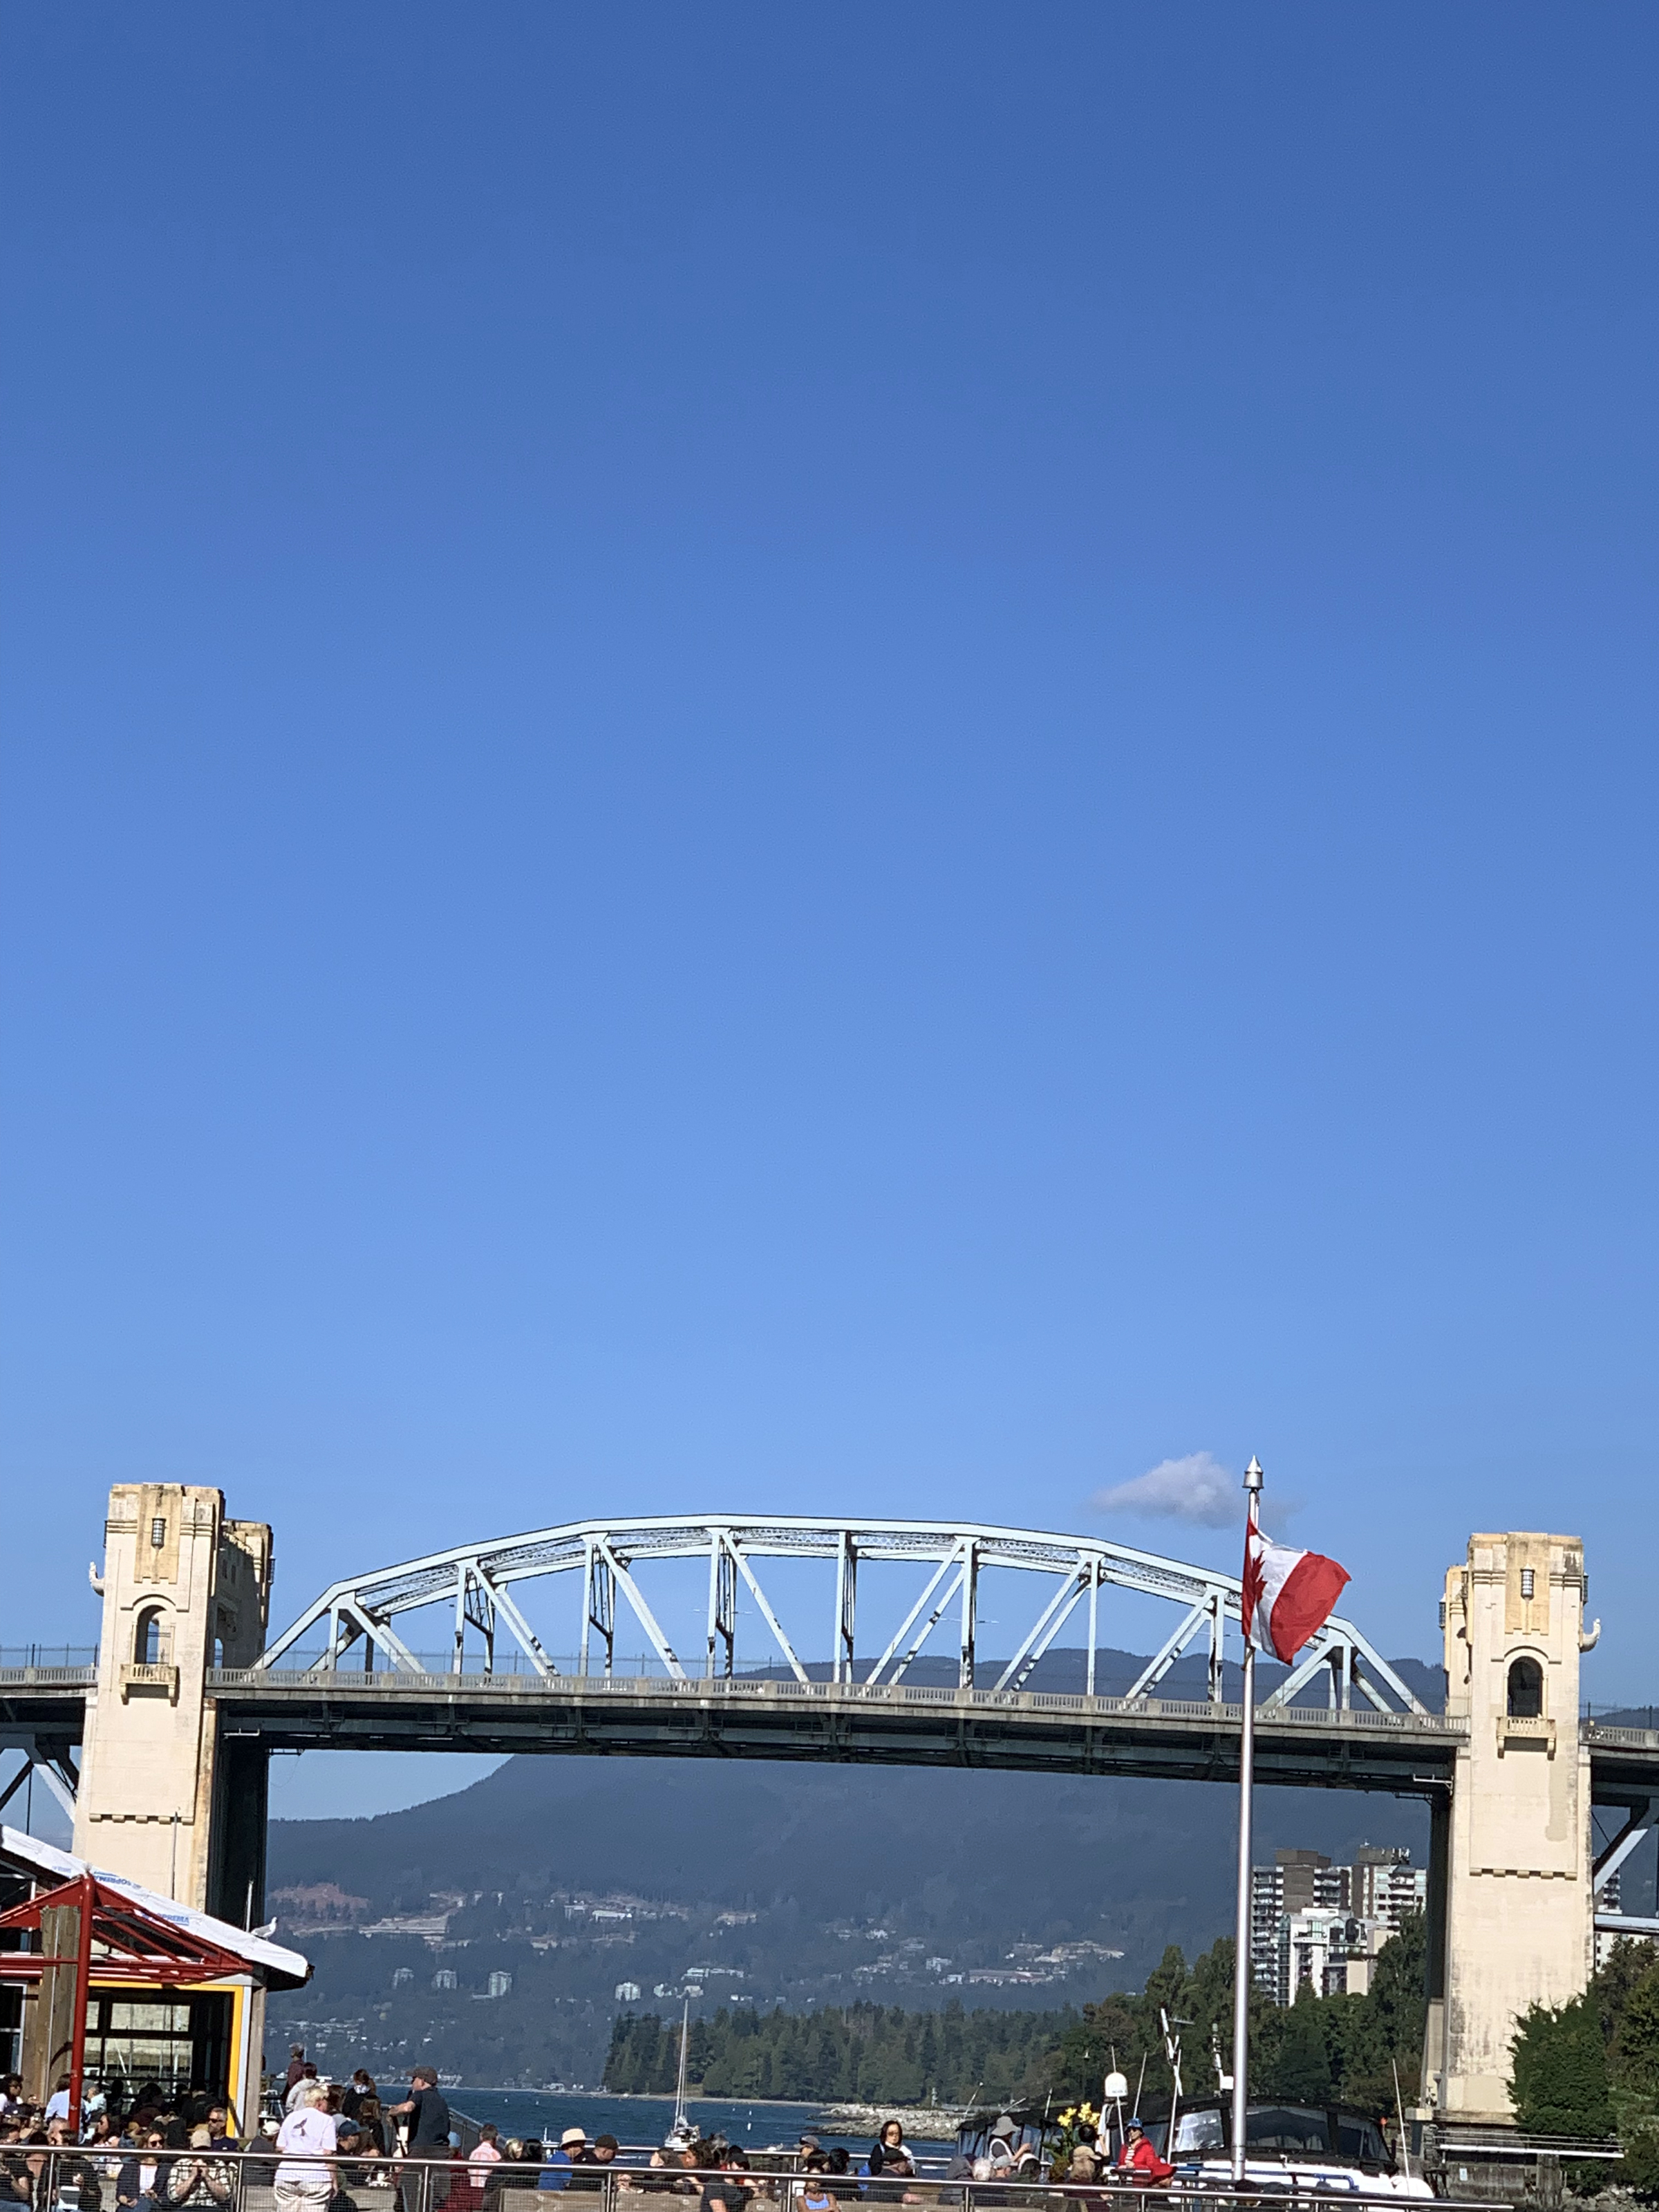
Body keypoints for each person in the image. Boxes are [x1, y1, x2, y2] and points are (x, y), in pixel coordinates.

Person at [384, 2071, 450, 2210]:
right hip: (441, 2155)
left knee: (410, 2194)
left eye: (414, 2079)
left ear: (422, 2081)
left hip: (420, 2153)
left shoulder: (420, 2095)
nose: (411, 2083)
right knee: (435, 2199)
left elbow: (408, 2107)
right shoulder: (442, 2101)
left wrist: (392, 2111)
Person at [274, 2083, 338, 2212]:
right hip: (316, 2176)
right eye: (327, 2101)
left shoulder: (291, 2117)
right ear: (320, 2102)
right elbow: (328, 2153)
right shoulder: (327, 2120)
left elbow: (280, 2147)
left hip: (286, 2174)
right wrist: (334, 2179)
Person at [167, 2127, 232, 2208]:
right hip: (187, 2208)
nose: (201, 2153)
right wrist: (192, 2177)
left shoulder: (218, 2164)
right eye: (198, 2149)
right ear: (191, 2148)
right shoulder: (180, 2165)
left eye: (205, 2149)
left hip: (211, 2208)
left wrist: (208, 2177)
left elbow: (225, 2196)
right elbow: (173, 2196)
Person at [115, 2130, 171, 2212]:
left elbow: (167, 2198)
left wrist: (155, 2196)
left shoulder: (165, 2169)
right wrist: (128, 2201)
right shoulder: (131, 2167)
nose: (158, 2145)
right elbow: (120, 2194)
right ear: (145, 2146)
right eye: (154, 2143)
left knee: (145, 2202)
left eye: (161, 2142)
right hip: (131, 2206)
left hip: (153, 2206)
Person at [1115, 2121, 1173, 2187]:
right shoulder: (1124, 2147)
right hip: (1124, 2183)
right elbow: (1120, 2163)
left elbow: (1151, 2167)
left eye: (1134, 2130)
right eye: (1129, 2130)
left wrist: (1135, 2166)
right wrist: (1119, 2168)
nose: (1131, 2132)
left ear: (1140, 2132)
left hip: (1141, 2184)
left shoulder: (1147, 2148)